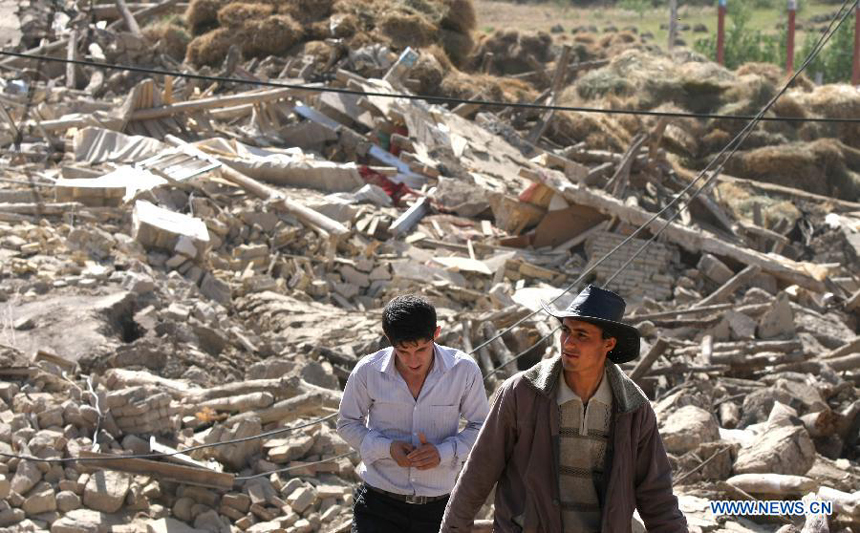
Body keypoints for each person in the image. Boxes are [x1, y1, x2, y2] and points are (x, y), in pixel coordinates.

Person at [440, 285, 688, 533]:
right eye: (566, 331)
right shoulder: (522, 393)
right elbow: (478, 473)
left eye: (582, 335)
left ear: (608, 343)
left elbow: (657, 496)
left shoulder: (633, 410)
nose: (568, 343)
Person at [337, 294, 490, 533]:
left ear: (436, 333)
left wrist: (443, 452)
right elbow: (346, 424)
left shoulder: (463, 371)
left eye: (421, 349)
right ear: (389, 339)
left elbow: (482, 428)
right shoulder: (368, 371)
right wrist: (386, 448)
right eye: (403, 351)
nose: (413, 360)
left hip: (440, 508)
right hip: (379, 506)